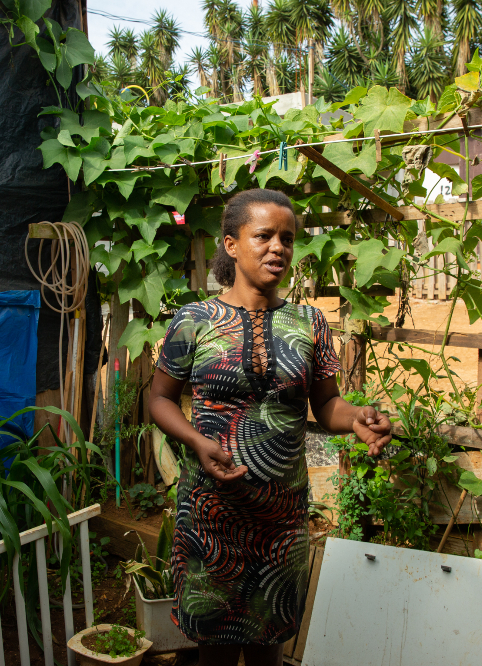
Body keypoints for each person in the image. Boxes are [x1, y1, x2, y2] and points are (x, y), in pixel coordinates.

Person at [148, 188, 393, 666]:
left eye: (287, 238)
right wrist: (197, 441)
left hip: (280, 522)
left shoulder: (309, 323)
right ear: (231, 244)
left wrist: (357, 419)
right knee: (214, 653)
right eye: (263, 236)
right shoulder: (194, 320)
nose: (277, 247)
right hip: (210, 516)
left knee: (268, 649)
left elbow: (326, 405)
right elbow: (158, 398)